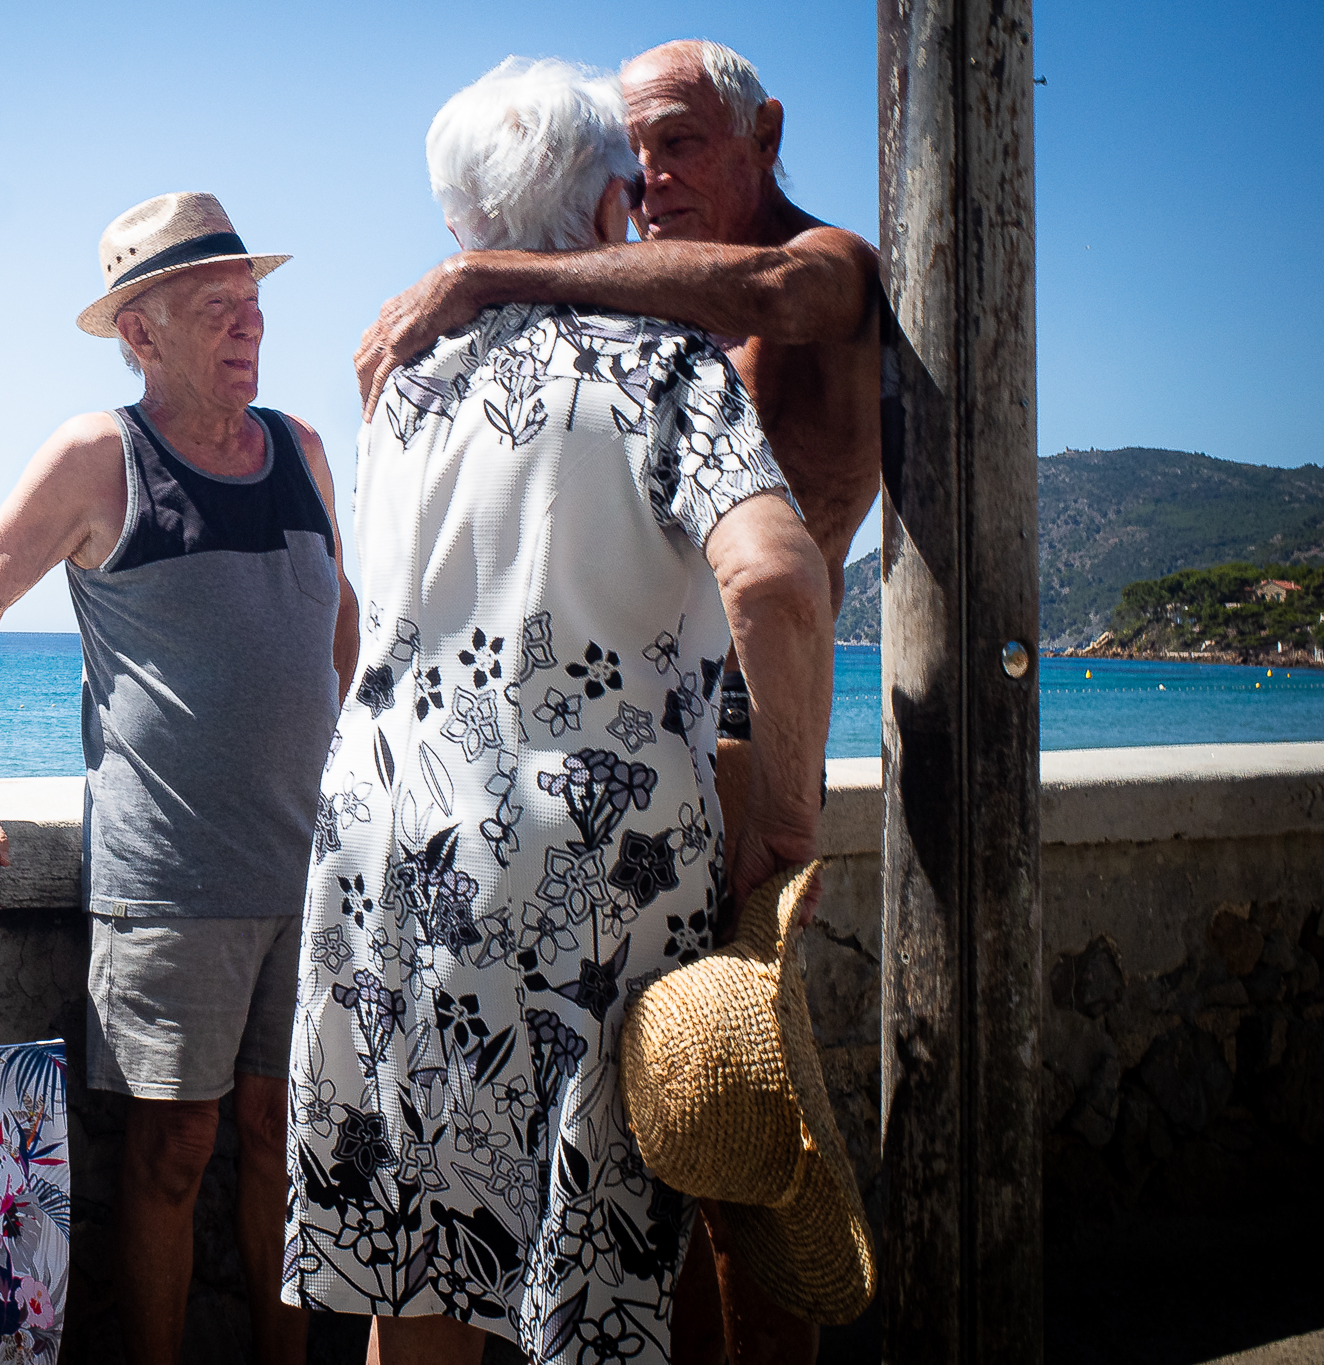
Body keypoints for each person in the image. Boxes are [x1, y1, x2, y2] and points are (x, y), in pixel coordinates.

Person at [282, 58, 832, 1365]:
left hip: (388, 838)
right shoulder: (666, 365)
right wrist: (790, 811)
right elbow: (777, 578)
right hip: (591, 851)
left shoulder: (399, 384)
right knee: (592, 1272)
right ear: (604, 216)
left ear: (461, 228)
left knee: (423, 1256)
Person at [0, 191, 359, 1365]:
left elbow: (342, 624)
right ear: (139, 332)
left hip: (308, 873)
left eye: (252, 306)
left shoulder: (303, 451)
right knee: (170, 1158)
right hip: (170, 881)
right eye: (214, 308)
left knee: (284, 1139)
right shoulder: (95, 456)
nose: (246, 327)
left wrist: (361, 759)